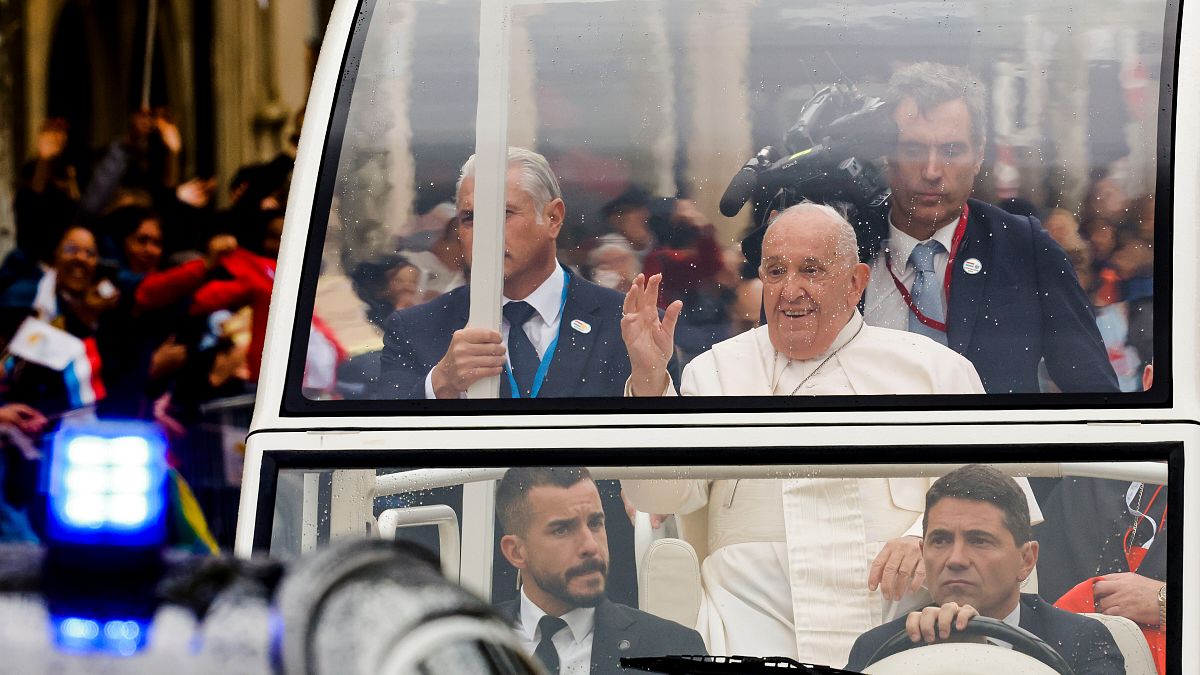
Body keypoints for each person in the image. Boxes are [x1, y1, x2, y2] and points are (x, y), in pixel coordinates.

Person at [621, 203, 1041, 666]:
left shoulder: (934, 370)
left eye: (811, 271)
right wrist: (649, 381)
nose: (790, 290)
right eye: (776, 271)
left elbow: (1003, 502)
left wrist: (930, 537)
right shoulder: (715, 372)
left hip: (901, 623)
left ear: (857, 282)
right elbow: (658, 497)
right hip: (750, 624)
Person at [860, 62, 1118, 394]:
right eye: (913, 149)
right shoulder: (845, 244)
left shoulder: (1024, 246)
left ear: (979, 154)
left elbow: (1094, 392)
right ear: (887, 153)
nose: (932, 170)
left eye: (952, 150)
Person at [378, 147, 638, 400]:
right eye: (469, 218)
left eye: (504, 213)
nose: (485, 232)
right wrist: (442, 383)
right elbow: (381, 436)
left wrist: (651, 377)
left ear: (553, 218)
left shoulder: (627, 323)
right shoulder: (415, 328)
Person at [846, 464, 1124, 674]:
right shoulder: (876, 650)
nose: (956, 559)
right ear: (923, 553)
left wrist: (978, 660)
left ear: (1026, 560)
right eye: (940, 540)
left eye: (979, 541)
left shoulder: (1080, 642)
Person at [494, 467, 706, 675]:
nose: (591, 546)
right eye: (562, 530)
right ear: (516, 552)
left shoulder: (674, 651)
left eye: (595, 523)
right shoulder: (466, 641)